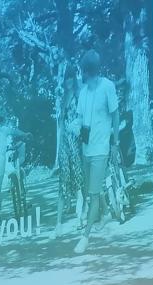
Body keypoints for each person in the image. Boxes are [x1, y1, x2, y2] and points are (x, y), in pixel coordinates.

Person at [75, 49, 119, 254]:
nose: (83, 75)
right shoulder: (83, 93)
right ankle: (106, 213)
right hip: (86, 149)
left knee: (92, 195)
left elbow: (115, 115)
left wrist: (115, 143)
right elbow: (80, 120)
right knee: (89, 190)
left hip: (101, 149)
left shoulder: (107, 87)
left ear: (88, 72)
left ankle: (85, 237)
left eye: (84, 72)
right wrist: (75, 129)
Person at [53, 64, 85, 238]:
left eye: (71, 77)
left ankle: (80, 217)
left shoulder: (80, 95)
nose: (68, 81)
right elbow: (60, 126)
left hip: (77, 140)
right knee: (63, 182)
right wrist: (57, 153)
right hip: (65, 143)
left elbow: (83, 117)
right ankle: (58, 223)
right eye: (67, 78)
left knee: (79, 180)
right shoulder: (62, 99)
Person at [0, 115, 31, 224]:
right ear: (3, 122)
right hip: (2, 159)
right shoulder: (4, 129)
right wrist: (25, 134)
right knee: (10, 176)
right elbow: (15, 132)